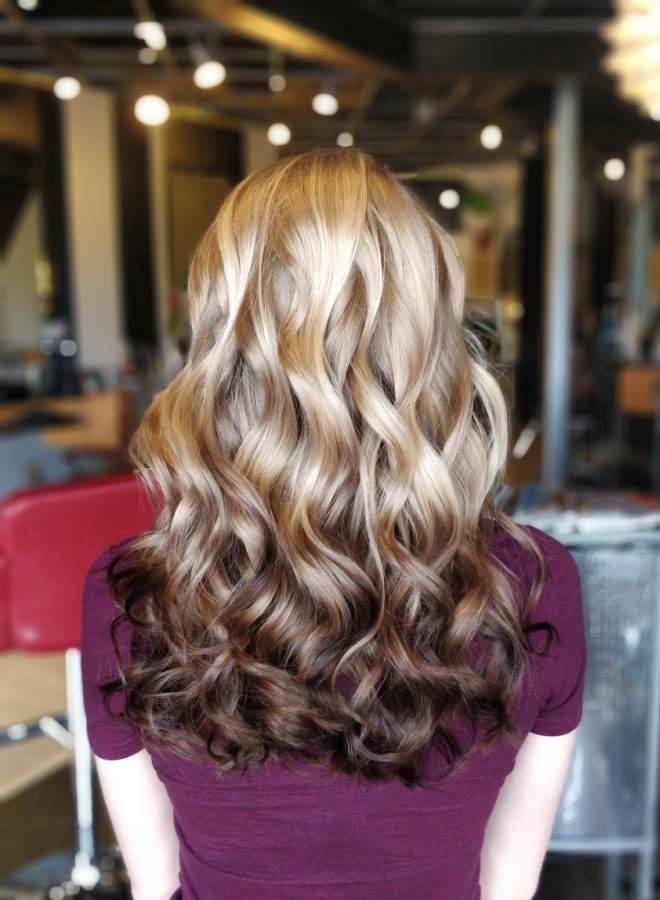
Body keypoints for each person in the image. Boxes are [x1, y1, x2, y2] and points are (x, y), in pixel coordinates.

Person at [80, 149, 586, 900]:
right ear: (429, 331)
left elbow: (158, 885)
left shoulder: (132, 593)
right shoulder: (531, 582)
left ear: (218, 329)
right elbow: (509, 883)